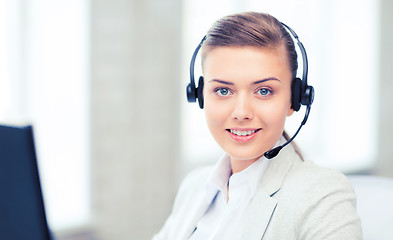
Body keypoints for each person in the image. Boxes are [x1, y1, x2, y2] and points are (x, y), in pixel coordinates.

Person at [153, 12, 362, 240]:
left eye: (264, 91)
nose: (241, 113)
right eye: (223, 90)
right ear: (200, 95)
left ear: (294, 99)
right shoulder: (195, 187)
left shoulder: (322, 195)